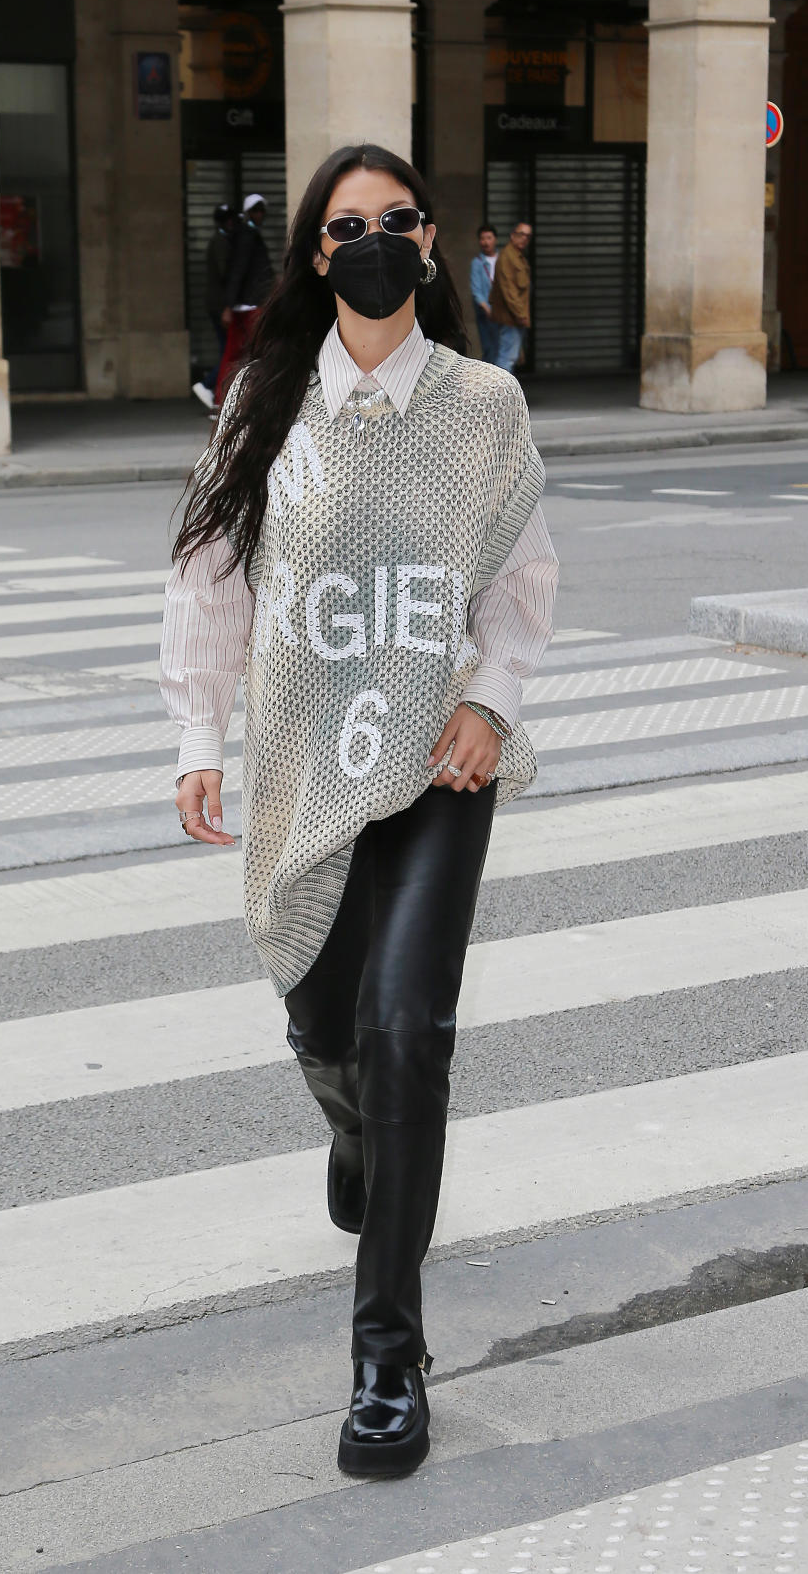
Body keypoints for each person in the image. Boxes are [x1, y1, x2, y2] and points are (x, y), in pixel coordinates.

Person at [161, 144, 558, 1479]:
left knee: (409, 1033)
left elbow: (519, 579)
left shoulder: (486, 403)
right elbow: (210, 577)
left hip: (439, 759)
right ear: (317, 255)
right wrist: (193, 736)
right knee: (327, 1019)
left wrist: (491, 703)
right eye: (348, 224)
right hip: (305, 754)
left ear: (431, 244)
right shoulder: (268, 400)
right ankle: (353, 1128)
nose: (374, 240)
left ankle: (389, 1358)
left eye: (398, 220)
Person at [214, 192, 275, 408]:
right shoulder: (247, 236)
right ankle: (240, 398)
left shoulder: (245, 235)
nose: (260, 215)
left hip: (246, 303)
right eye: (256, 210)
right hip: (250, 304)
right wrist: (228, 306)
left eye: (262, 210)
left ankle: (222, 399)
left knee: (235, 352)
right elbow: (238, 271)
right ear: (248, 213)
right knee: (260, 349)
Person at [193, 203, 237, 411]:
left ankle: (213, 387)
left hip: (219, 304)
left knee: (227, 348)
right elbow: (225, 274)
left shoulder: (222, 240)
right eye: (228, 219)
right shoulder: (221, 243)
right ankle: (208, 385)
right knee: (228, 350)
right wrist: (227, 307)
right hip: (220, 305)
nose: (231, 223)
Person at [489, 219, 532, 373]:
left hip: (513, 317)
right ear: (513, 235)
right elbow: (509, 290)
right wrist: (521, 315)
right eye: (521, 234)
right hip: (511, 318)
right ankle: (502, 395)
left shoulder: (517, 256)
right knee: (507, 358)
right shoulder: (508, 257)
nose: (524, 238)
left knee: (508, 356)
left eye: (528, 236)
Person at [469, 222, 502, 363]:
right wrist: (487, 309)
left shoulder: (502, 259)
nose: (485, 242)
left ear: (495, 239)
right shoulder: (477, 263)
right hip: (486, 313)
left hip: (502, 312)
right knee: (490, 349)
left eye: (489, 238)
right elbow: (476, 290)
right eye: (482, 239)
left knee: (502, 349)